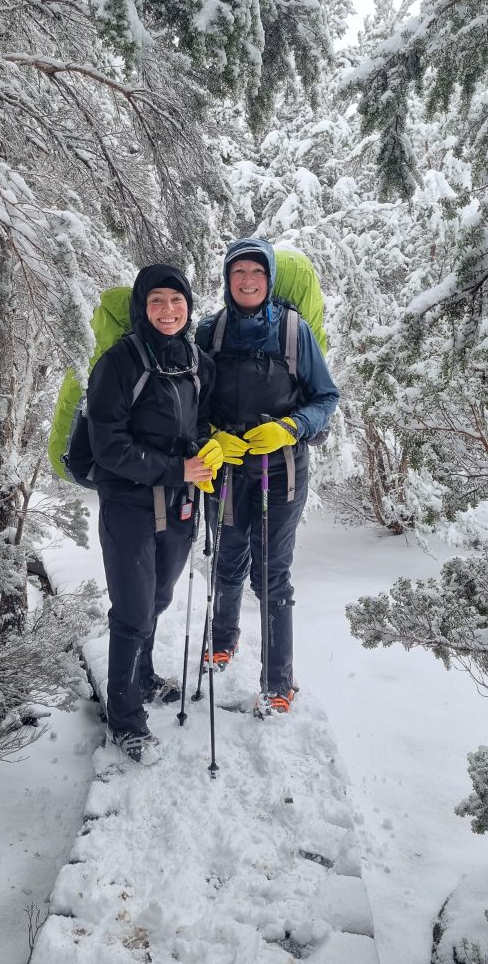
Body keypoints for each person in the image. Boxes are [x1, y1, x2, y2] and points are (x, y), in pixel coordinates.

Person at [195, 238, 339, 713]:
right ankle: (222, 639)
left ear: (270, 278)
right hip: (227, 468)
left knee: (273, 572)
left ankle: (279, 680)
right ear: (227, 279)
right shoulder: (209, 334)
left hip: (282, 471)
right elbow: (185, 402)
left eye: (257, 272)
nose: (248, 280)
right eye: (239, 272)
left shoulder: (294, 333)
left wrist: (290, 428)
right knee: (227, 558)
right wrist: (210, 435)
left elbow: (325, 399)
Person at [87, 264, 222, 764]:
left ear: (188, 305)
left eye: (177, 301)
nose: (168, 311)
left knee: (160, 596)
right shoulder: (118, 364)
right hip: (128, 502)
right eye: (157, 301)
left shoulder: (196, 361)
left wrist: (209, 452)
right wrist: (178, 468)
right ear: (142, 307)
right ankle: (125, 719)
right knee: (132, 609)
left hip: (181, 502)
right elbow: (108, 447)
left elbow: (203, 420)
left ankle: (141, 677)